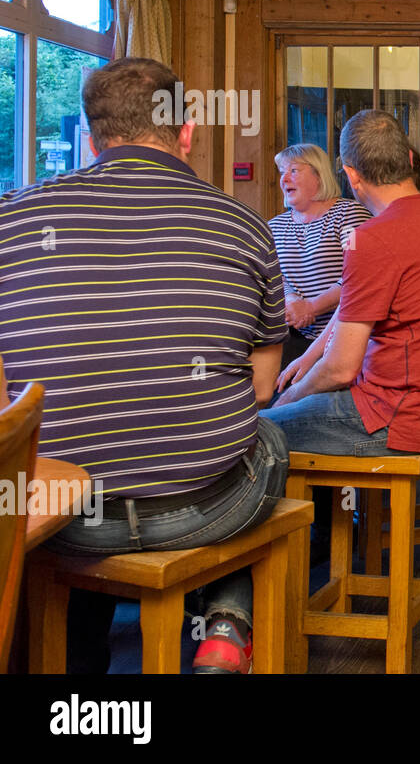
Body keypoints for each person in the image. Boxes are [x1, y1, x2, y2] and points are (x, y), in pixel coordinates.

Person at [0, 57, 288, 673]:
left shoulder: (12, 219)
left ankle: (79, 667)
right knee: (268, 440)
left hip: (52, 517)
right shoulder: (242, 225)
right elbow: (263, 387)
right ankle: (225, 627)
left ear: (90, 135)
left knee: (88, 461)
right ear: (185, 131)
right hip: (201, 509)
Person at [262, 110, 420, 471]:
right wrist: (308, 357)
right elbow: (350, 309)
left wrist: (287, 401)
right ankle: (340, 524)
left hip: (402, 419)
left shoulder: (371, 237)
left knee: (254, 432)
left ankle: (302, 527)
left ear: (352, 176)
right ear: (407, 160)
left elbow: (340, 369)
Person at [269, 143, 371, 366]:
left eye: (293, 171)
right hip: (291, 335)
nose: (284, 179)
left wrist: (312, 307)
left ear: (318, 174)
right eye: (281, 173)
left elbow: (359, 275)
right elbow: (273, 276)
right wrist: (292, 299)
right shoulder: (275, 226)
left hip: (342, 336)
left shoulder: (348, 215)